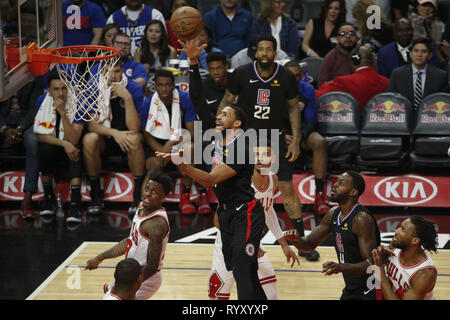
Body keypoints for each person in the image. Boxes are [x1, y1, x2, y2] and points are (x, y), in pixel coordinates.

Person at [218, 34, 321, 262]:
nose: (264, 53)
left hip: (275, 138)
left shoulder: (285, 77)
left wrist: (295, 138)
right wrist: (222, 131)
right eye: (261, 49)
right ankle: (233, 238)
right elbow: (226, 101)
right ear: (256, 52)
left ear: (276, 52)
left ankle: (302, 242)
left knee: (286, 189)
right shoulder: (242, 73)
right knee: (235, 189)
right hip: (246, 138)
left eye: (269, 49)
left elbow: (294, 108)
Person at [156, 105, 268, 300]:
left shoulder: (241, 147)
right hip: (226, 212)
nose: (218, 117)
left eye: (225, 114)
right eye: (219, 113)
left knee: (243, 270)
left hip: (245, 212)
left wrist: (182, 164)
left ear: (237, 123)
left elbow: (210, 179)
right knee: (243, 270)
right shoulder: (217, 144)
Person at [208, 144, 300, 300]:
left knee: (270, 293)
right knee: (218, 295)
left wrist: (284, 244)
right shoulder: (237, 181)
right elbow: (218, 221)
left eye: (265, 154)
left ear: (274, 158)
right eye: (256, 154)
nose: (260, 158)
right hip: (229, 240)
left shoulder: (273, 179)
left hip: (252, 239)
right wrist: (246, 242)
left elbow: (268, 210)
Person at [284, 171, 381, 300]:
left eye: (341, 183)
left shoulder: (361, 219)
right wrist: (296, 240)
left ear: (353, 192)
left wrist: (341, 267)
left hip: (371, 287)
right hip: (352, 286)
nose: (335, 185)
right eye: (336, 182)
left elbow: (372, 264)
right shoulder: (333, 213)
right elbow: (309, 244)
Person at [86, 172, 173, 300]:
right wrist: (100, 257)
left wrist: (132, 284)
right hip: (131, 275)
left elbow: (152, 266)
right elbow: (130, 241)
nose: (148, 194)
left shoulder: (157, 225)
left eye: (154, 192)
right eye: (147, 189)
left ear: (163, 197)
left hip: (145, 277)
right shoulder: (141, 207)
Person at [82, 62, 145, 218]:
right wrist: (116, 133)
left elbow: (135, 127)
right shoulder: (94, 89)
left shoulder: (133, 89)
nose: (113, 76)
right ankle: (96, 195)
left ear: (122, 71)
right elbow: (93, 126)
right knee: (89, 139)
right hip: (106, 138)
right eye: (108, 72)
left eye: (116, 71)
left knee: (136, 138)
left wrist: (128, 98)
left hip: (127, 139)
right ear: (101, 73)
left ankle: (137, 197)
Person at [137, 69, 198, 216]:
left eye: (168, 85)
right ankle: (144, 204)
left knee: (189, 149)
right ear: (155, 86)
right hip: (157, 145)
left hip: (180, 142)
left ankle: (186, 197)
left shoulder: (185, 99)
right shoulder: (147, 103)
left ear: (173, 86)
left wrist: (170, 145)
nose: (164, 89)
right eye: (160, 85)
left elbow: (192, 132)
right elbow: (147, 134)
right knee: (153, 168)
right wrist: (162, 152)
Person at [33, 71, 85, 224]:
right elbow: (41, 135)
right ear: (49, 90)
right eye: (56, 89)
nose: (61, 93)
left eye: (64, 88)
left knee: (75, 149)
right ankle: (48, 198)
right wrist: (64, 144)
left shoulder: (79, 102)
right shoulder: (42, 100)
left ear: (69, 88)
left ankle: (75, 205)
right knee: (45, 148)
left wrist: (62, 113)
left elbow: (74, 137)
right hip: (56, 144)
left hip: (72, 143)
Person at [284, 60, 329, 218]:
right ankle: (259, 195)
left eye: (297, 75)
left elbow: (311, 121)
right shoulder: (274, 90)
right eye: (290, 75)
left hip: (301, 134)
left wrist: (297, 138)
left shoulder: (307, 89)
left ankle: (319, 196)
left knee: (319, 142)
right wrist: (284, 136)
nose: (294, 79)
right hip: (280, 134)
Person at [0, 76, 44, 219]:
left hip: (26, 122)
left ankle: (28, 196)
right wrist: (4, 129)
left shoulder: (33, 74)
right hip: (4, 121)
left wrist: (20, 129)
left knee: (32, 139)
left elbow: (34, 108)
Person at [370, 216, 438, 300]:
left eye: (403, 229)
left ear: (414, 240)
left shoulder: (424, 274)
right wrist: (382, 255)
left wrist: (380, 274)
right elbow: (383, 255)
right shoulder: (396, 245)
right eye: (400, 227)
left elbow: (381, 276)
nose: (397, 231)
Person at [316, 45, 390, 111]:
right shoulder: (387, 82)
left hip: (349, 125)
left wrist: (328, 84)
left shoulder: (342, 82)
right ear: (372, 61)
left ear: (354, 61)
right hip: (379, 125)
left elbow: (318, 96)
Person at [387, 37, 449, 111]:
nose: (419, 54)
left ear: (430, 55)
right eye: (416, 51)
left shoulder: (440, 76)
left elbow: (444, 102)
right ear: (410, 54)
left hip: (430, 118)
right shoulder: (397, 74)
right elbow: (390, 100)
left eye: (424, 51)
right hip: (403, 117)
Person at [317, 22, 359, 87]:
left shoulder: (366, 54)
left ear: (356, 38)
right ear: (337, 39)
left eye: (351, 33)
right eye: (343, 34)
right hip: (338, 95)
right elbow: (321, 85)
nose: (348, 36)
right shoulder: (330, 57)